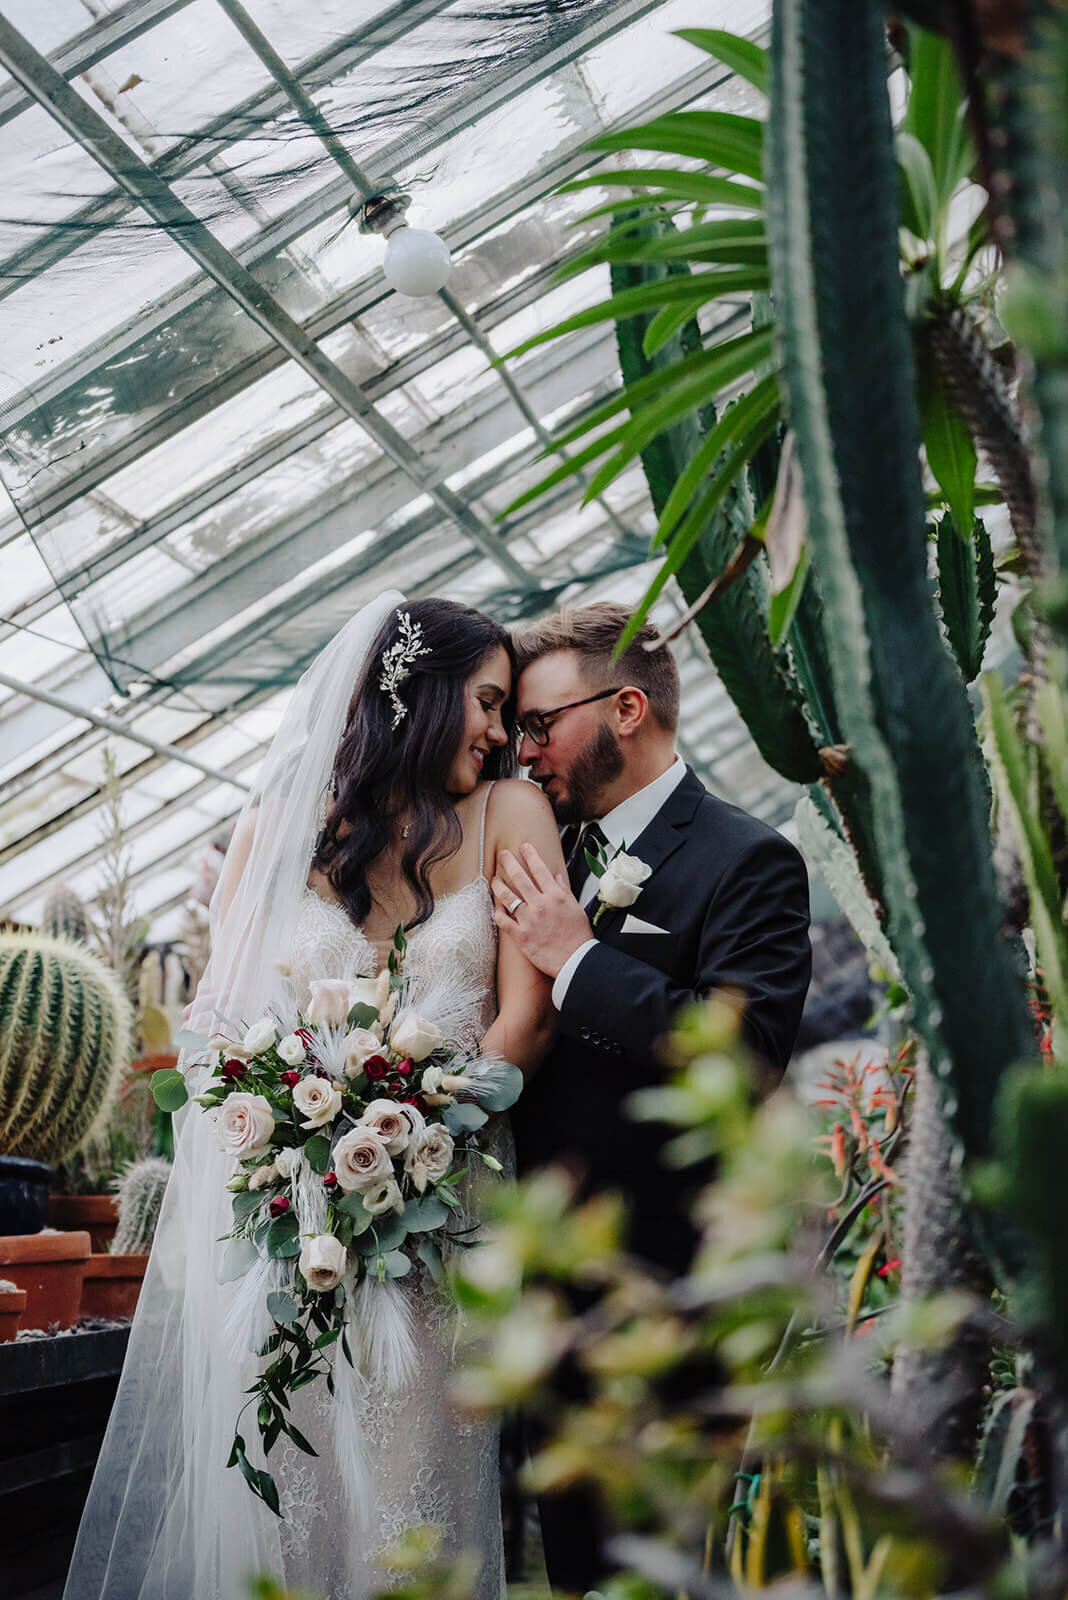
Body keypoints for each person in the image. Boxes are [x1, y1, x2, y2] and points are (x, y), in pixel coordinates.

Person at [65, 593, 562, 1600]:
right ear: (417, 695)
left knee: (414, 1506)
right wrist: (294, 1132)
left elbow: (530, 1015)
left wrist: (425, 1117)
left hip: (432, 1234)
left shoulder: (511, 813)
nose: (503, 733)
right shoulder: (273, 834)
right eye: (488, 702)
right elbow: (214, 1034)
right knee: (292, 1494)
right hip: (294, 1241)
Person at [491, 602, 812, 1593]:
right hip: (541, 1300)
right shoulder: (541, 848)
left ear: (627, 707)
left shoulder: (747, 861)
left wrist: (578, 960)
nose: (525, 750)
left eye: (540, 725)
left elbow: (744, 1059)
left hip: (665, 1304)